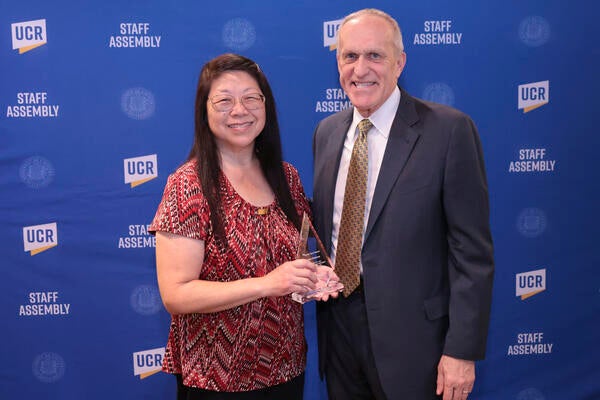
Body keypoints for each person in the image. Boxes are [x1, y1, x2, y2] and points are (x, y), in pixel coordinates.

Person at [312, 9, 495, 400]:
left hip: (417, 348)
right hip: (339, 334)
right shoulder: (326, 133)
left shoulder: (449, 131)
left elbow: (472, 253)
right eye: (349, 56)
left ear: (400, 63)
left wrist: (461, 351)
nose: (361, 68)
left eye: (375, 56)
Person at [149, 53, 338, 400]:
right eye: (224, 100)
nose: (240, 110)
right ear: (204, 111)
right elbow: (176, 295)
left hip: (286, 370)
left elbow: (297, 260)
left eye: (252, 98)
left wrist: (315, 277)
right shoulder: (188, 184)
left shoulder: (286, 177)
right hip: (217, 380)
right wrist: (266, 284)